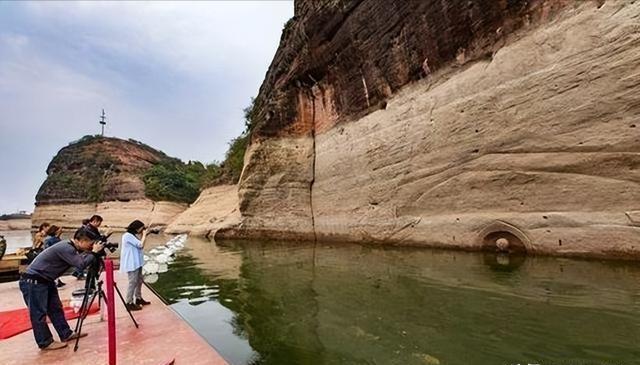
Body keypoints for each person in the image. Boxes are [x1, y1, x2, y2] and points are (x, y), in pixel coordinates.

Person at [19, 228, 104, 351]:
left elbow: (81, 260)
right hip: (34, 282)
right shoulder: (66, 248)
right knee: (38, 313)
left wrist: (93, 253)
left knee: (55, 309)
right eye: (90, 244)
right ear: (81, 240)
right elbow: (80, 264)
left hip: (46, 280)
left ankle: (65, 333)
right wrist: (94, 253)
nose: (91, 247)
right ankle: (45, 342)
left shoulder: (71, 248)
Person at [120, 220, 151, 311]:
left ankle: (138, 298)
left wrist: (145, 235)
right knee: (132, 282)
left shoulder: (133, 236)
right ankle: (128, 302)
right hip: (131, 263)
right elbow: (140, 245)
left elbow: (140, 245)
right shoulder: (127, 236)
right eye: (142, 228)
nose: (142, 230)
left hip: (137, 262)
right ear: (137, 228)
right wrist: (144, 235)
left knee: (139, 280)